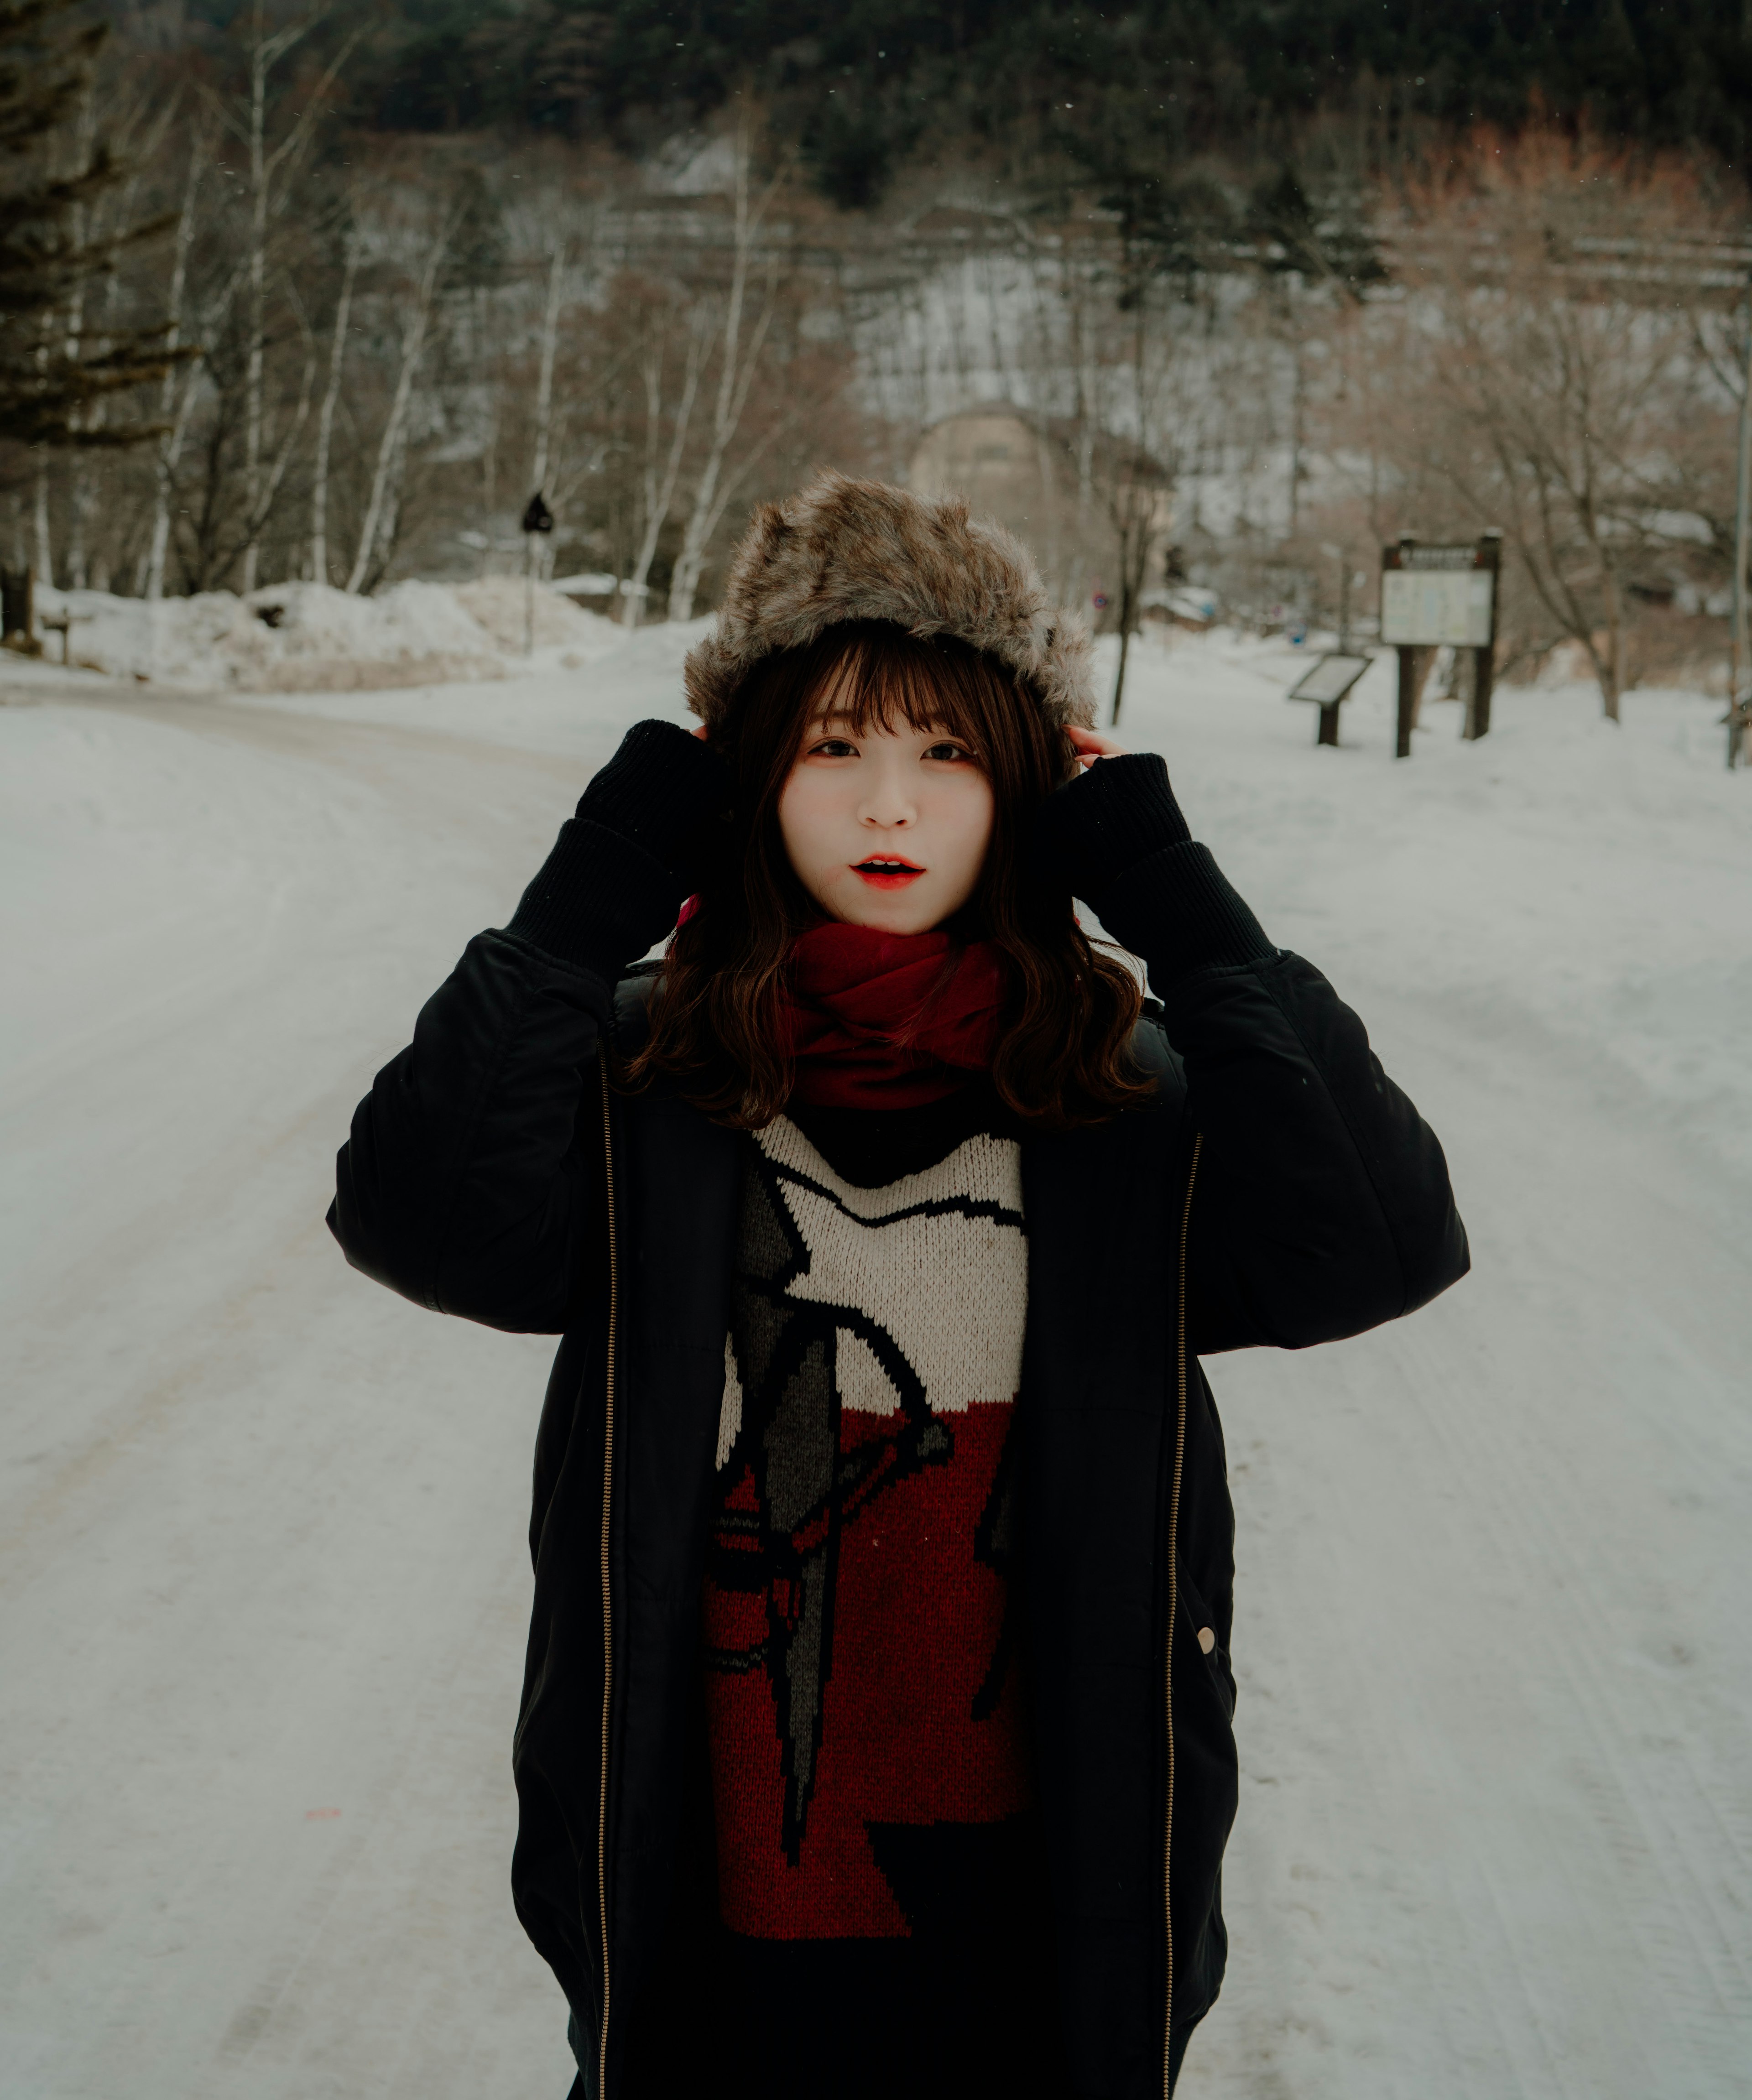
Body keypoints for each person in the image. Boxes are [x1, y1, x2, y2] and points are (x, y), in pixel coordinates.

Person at [330, 471, 1468, 2100]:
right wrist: (590, 891)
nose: (889, 810)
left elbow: (1378, 1246)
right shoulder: (643, 1081)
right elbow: (418, 1222)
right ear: (753, 779)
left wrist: (1185, 910)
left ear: (1021, 790)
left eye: (946, 755)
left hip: (1037, 1936)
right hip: (702, 1931)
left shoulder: (1120, 1097)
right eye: (834, 748)